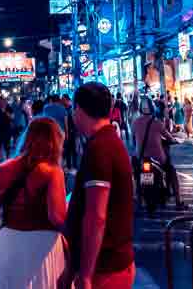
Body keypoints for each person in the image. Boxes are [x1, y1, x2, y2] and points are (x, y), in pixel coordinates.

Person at [64, 82, 135, 289]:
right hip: (109, 263)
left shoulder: (99, 149)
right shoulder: (106, 141)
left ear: (78, 109)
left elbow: (96, 216)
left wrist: (86, 273)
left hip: (105, 269)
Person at [0, 117, 68, 288]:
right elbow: (57, 217)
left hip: (9, 239)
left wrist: (1, 232)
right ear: (54, 142)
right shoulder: (52, 172)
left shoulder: (4, 169)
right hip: (43, 244)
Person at [131, 98, 187, 209]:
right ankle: (178, 201)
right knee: (172, 171)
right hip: (158, 158)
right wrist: (174, 140)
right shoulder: (157, 123)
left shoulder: (135, 123)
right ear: (152, 108)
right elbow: (169, 138)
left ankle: (139, 199)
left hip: (141, 158)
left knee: (137, 175)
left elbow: (134, 139)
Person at [0, 96, 14, 162]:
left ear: (4, 101)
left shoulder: (9, 108)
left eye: (0, 101)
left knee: (7, 146)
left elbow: (12, 117)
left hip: (6, 129)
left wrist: (5, 111)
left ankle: (7, 160)